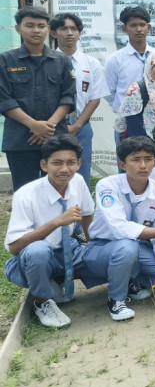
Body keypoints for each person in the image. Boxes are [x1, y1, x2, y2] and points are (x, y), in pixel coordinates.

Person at [83, 136, 155, 321]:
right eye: (135, 160)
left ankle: (132, 280)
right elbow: (119, 228)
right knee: (127, 246)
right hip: (103, 247)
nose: (143, 165)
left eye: (148, 159)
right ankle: (116, 300)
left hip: (140, 247)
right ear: (123, 165)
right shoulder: (107, 186)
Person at [4, 136, 92, 328]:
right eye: (57, 163)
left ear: (78, 164)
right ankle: (42, 302)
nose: (64, 169)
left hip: (69, 252)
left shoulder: (77, 180)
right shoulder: (26, 195)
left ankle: (56, 280)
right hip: (33, 259)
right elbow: (15, 247)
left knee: (105, 257)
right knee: (39, 251)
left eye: (70, 163)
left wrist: (92, 244)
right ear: (44, 165)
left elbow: (87, 214)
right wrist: (56, 222)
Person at [0, 6, 75, 190]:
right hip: (20, 139)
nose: (36, 30)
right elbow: (4, 99)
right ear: (18, 29)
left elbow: (68, 96)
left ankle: (61, 220)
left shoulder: (62, 60)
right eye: (30, 25)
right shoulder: (5, 61)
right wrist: (34, 125)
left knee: (60, 188)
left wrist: (48, 127)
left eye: (41, 26)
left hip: (56, 137)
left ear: (48, 29)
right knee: (25, 190)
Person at [50, 13, 107, 187]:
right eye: (63, 28)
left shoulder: (91, 63)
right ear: (53, 33)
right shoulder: (47, 62)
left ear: (80, 33)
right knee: (53, 171)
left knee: (80, 172)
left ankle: (80, 211)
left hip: (81, 127)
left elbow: (95, 98)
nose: (69, 33)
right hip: (52, 127)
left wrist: (77, 126)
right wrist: (55, 124)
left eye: (74, 29)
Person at [104, 7, 155, 139]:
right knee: (127, 158)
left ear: (148, 27)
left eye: (142, 25)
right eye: (133, 25)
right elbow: (109, 93)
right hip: (126, 122)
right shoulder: (115, 60)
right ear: (124, 28)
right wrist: (126, 107)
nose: (139, 29)